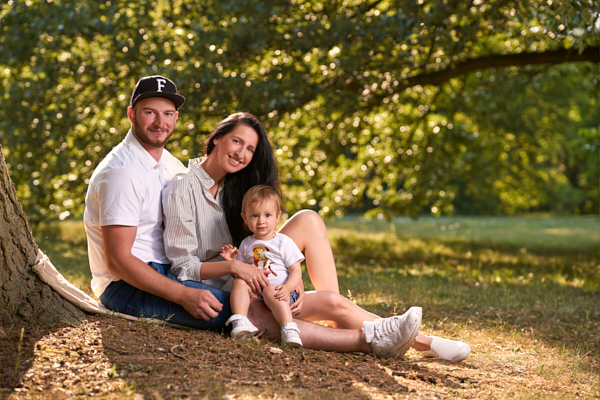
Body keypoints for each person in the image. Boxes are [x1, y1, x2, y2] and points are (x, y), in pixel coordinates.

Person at [162, 111, 471, 362]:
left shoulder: (235, 188)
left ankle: (344, 319)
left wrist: (286, 278)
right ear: (216, 138)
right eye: (236, 142)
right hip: (230, 288)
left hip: (258, 275)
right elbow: (183, 269)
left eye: (250, 149)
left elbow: (260, 244)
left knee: (309, 220)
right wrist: (235, 267)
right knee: (325, 301)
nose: (241, 154)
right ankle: (424, 342)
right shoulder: (182, 187)